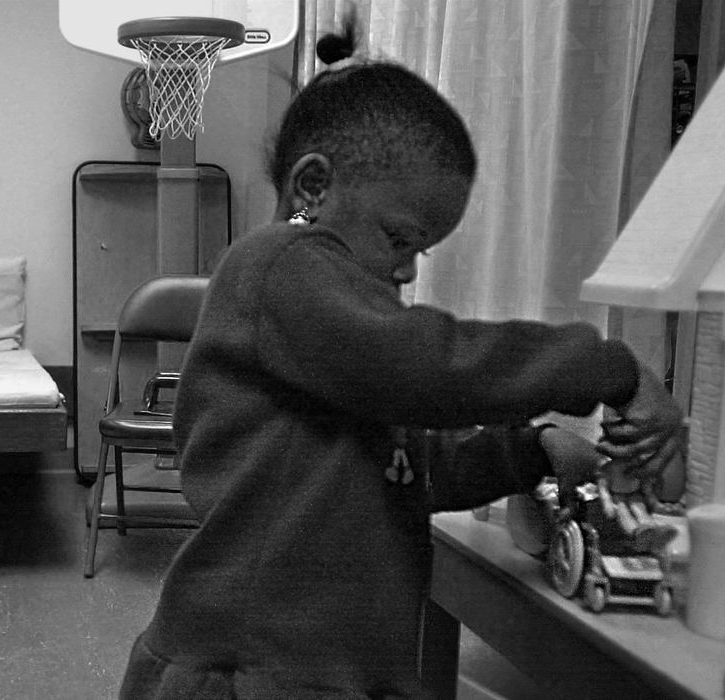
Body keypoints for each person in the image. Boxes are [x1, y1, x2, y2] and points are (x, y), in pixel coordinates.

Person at [117, 17, 685, 699]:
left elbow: (407, 469)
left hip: (338, 667)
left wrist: (529, 450)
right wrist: (606, 367)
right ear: (311, 189)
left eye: (423, 249)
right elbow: (421, 367)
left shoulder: (341, 357)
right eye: (399, 239)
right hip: (253, 666)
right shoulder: (277, 266)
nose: (410, 271)